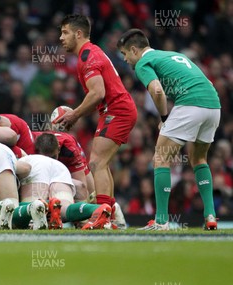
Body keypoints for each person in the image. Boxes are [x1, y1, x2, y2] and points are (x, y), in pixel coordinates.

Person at [117, 28, 221, 230]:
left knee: (160, 159)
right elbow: (206, 81)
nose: (126, 60)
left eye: (125, 54)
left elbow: (157, 91)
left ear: (134, 50)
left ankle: (161, 221)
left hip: (190, 104)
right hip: (213, 105)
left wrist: (165, 118)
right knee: (199, 159)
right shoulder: (174, 55)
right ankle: (210, 215)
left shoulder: (143, 63)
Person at [56, 14, 138, 217]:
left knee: (96, 163)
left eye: (65, 32)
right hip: (115, 109)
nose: (61, 37)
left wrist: (74, 115)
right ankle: (110, 213)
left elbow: (97, 93)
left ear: (78, 33)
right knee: (102, 163)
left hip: (117, 110)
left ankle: (101, 215)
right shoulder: (90, 53)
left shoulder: (88, 56)